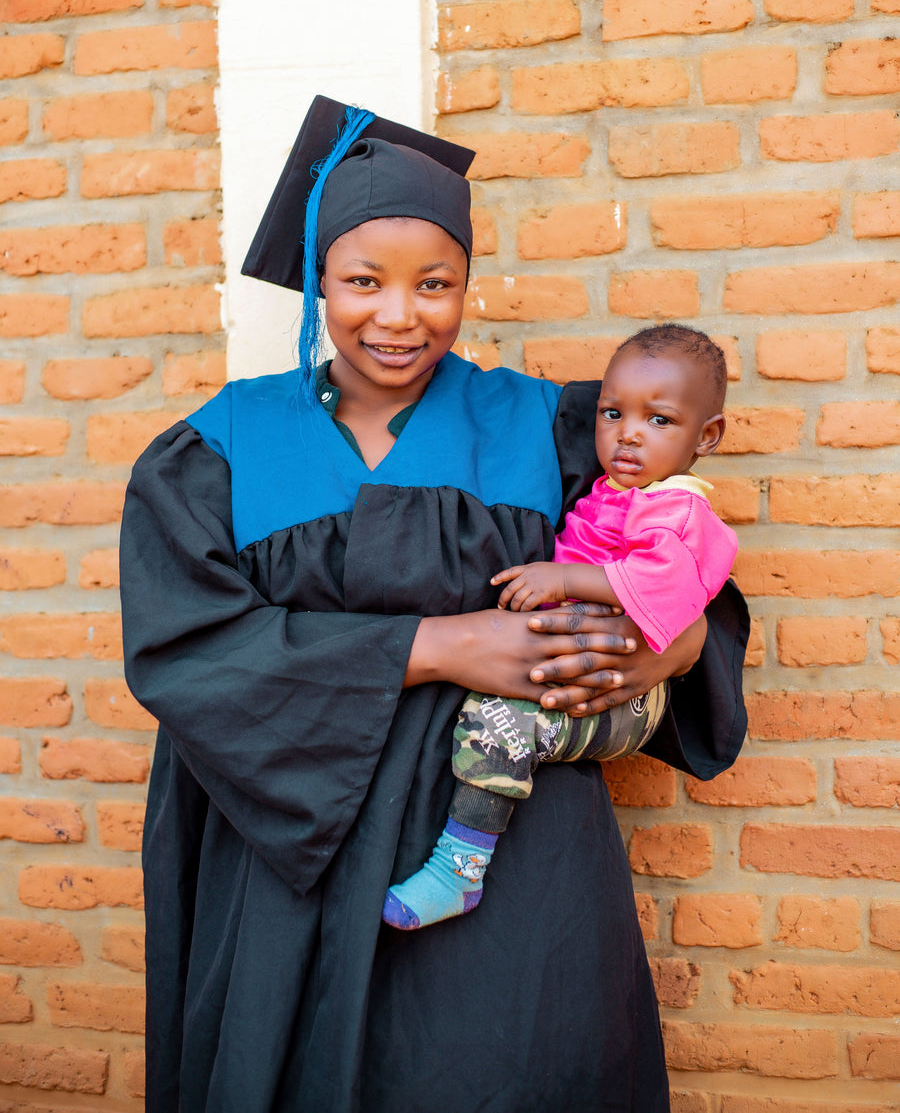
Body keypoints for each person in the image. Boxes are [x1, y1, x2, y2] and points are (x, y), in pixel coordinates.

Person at [120, 95, 749, 1113]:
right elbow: (184, 648)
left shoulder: (549, 424)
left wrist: (659, 656)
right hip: (287, 847)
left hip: (511, 850)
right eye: (362, 283)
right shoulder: (220, 446)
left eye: (436, 284)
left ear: (467, 284)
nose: (399, 315)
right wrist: (445, 644)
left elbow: (685, 571)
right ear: (318, 282)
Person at [383, 324, 738, 931]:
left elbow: (664, 587)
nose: (628, 434)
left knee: (503, 725)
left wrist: (564, 581)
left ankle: (460, 868)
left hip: (624, 694)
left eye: (659, 421)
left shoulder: (677, 508)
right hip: (588, 666)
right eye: (612, 413)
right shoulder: (619, 492)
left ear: (706, 436)